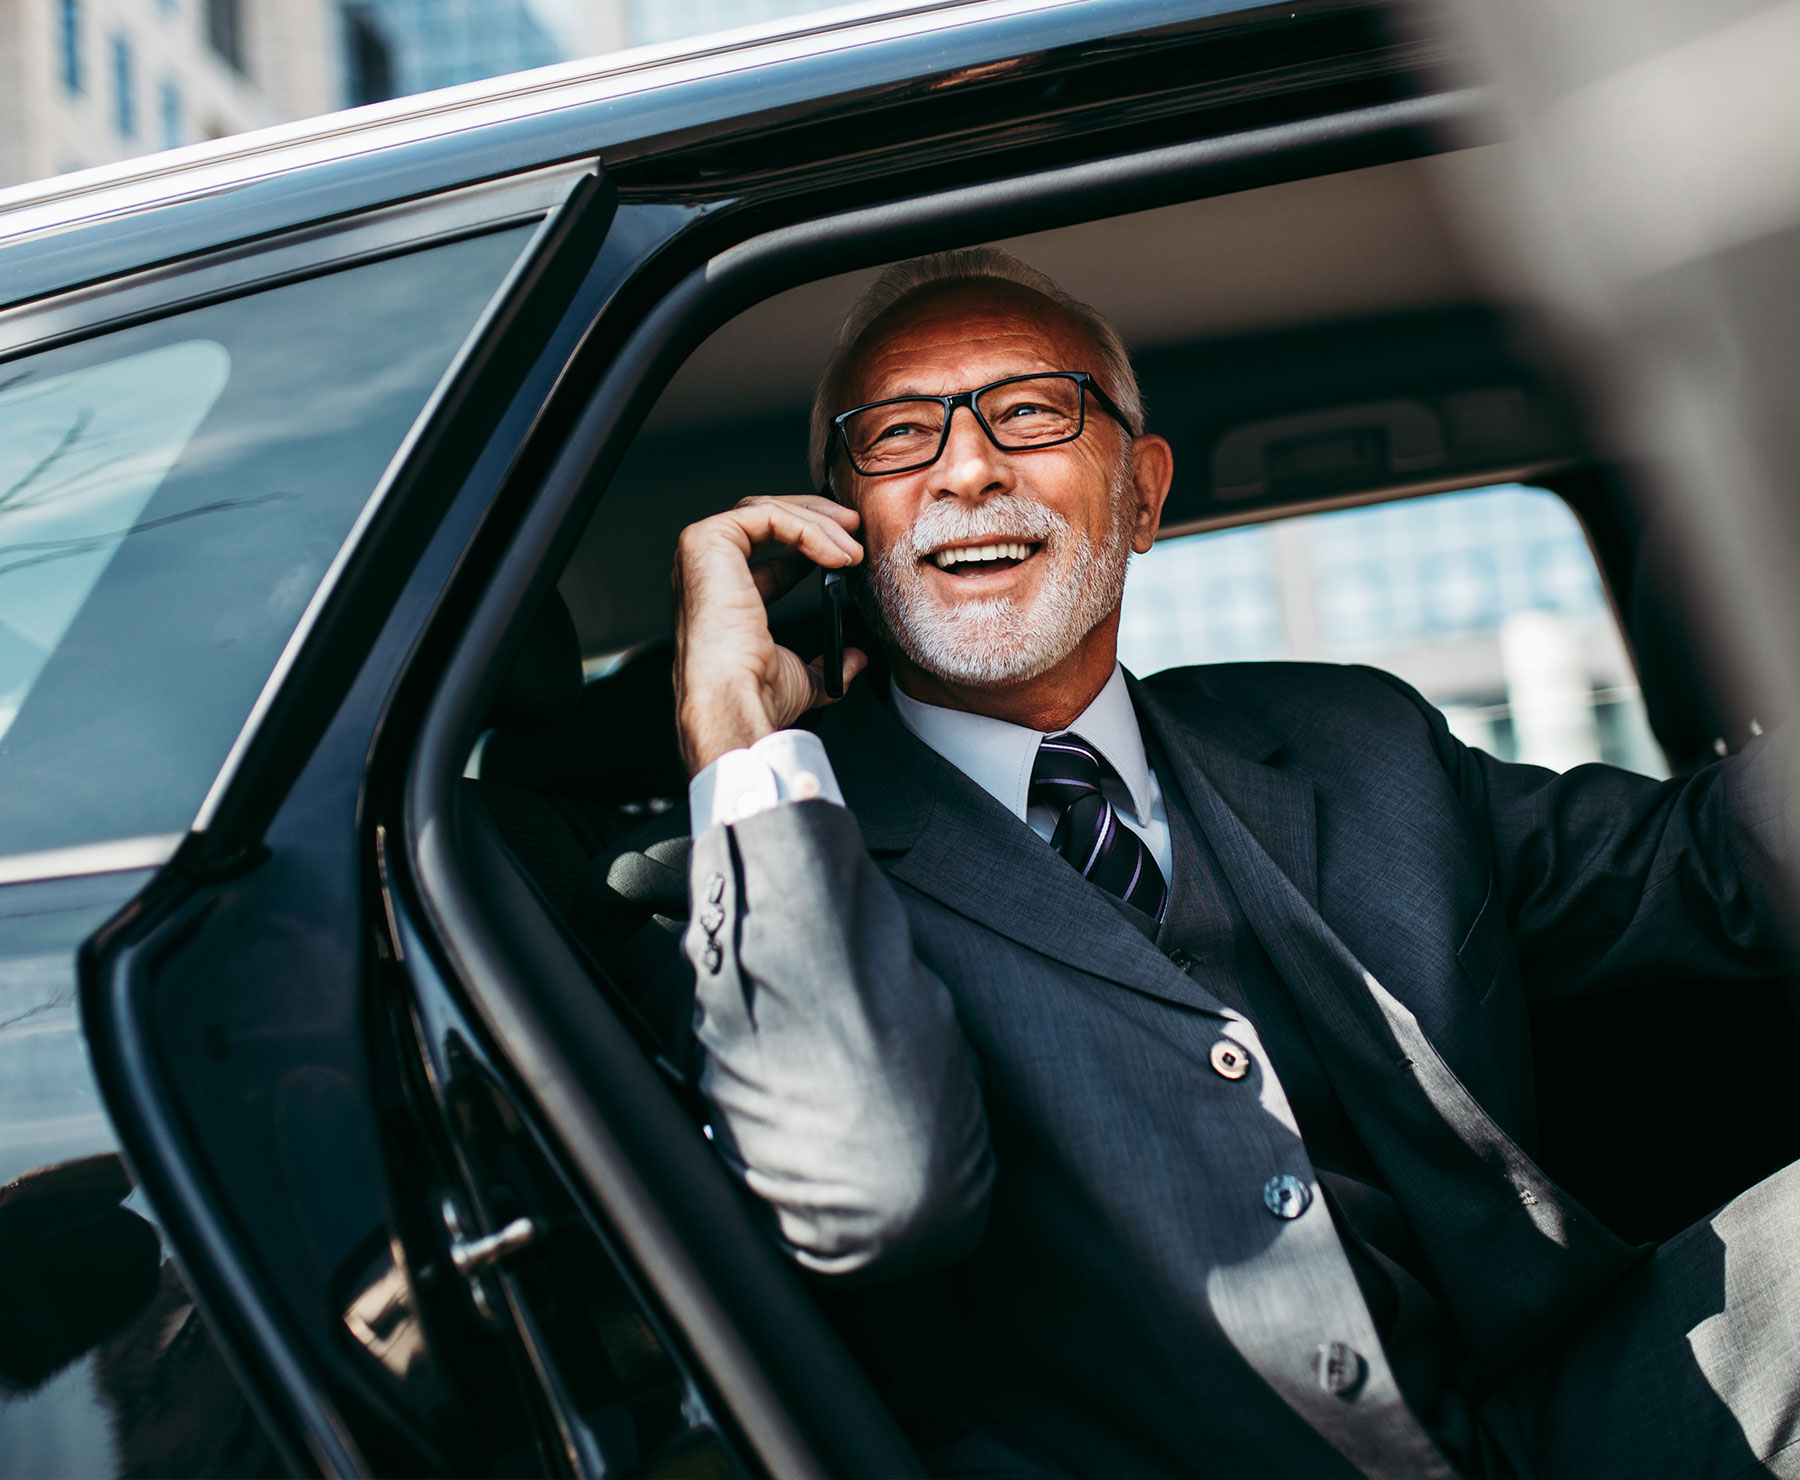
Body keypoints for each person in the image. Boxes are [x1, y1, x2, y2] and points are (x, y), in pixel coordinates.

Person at [666, 247, 1800, 1478]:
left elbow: (1710, 864)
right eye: (896, 436)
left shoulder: (1356, 742)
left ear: (1142, 496)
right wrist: (741, 742)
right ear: (845, 527)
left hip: (1553, 1422)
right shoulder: (780, 862)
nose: (969, 467)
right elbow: (870, 1192)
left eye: (1032, 412)